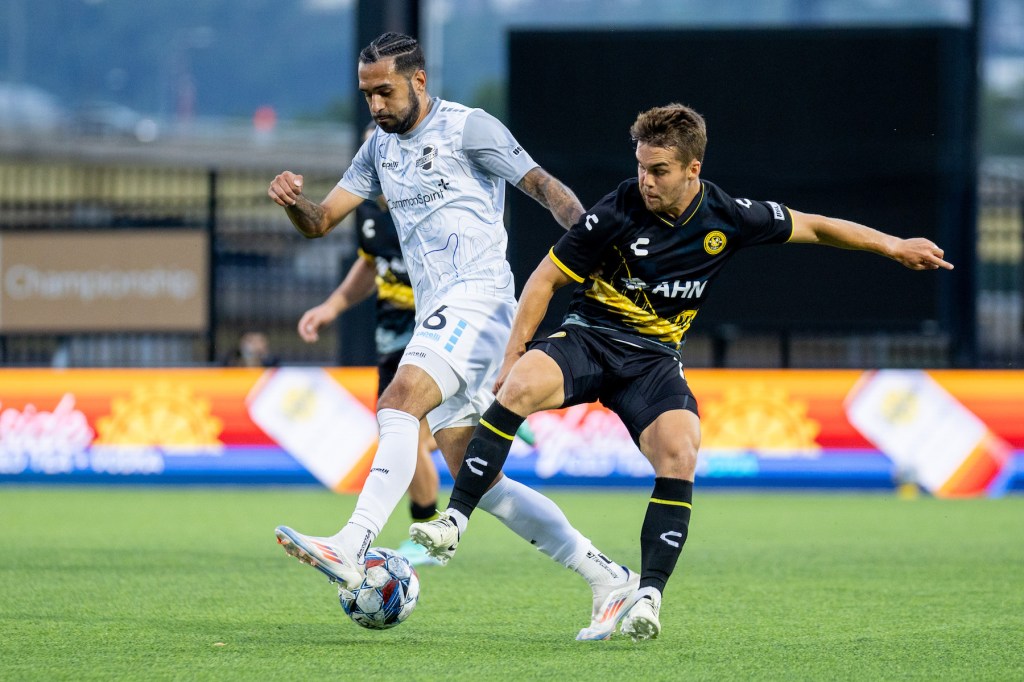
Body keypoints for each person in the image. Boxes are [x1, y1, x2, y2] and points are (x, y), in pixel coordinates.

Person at [409, 103, 954, 641]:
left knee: (681, 447)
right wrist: (512, 356)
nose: (645, 180)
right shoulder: (617, 208)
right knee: (524, 382)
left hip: (652, 361)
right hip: (592, 339)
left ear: (693, 169)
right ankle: (453, 523)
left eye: (659, 170)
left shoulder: (728, 217)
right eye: (641, 167)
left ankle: (646, 594)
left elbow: (814, 227)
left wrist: (893, 245)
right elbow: (544, 279)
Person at [268, 32, 637, 640]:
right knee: (479, 478)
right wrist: (293, 201)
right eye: (366, 95)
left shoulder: (470, 129)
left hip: (483, 299)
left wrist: (591, 243)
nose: (376, 106)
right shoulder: (377, 151)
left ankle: (352, 543)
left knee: (398, 400)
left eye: (384, 91)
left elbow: (545, 188)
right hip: (442, 309)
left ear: (418, 80)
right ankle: (605, 575)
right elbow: (320, 221)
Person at [296, 124, 441, 567]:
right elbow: (368, 266)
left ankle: (426, 533)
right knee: (408, 433)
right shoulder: (367, 213)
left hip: (431, 330)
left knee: (404, 429)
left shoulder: (428, 206)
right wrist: (331, 306)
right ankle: (481, 420)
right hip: (389, 334)